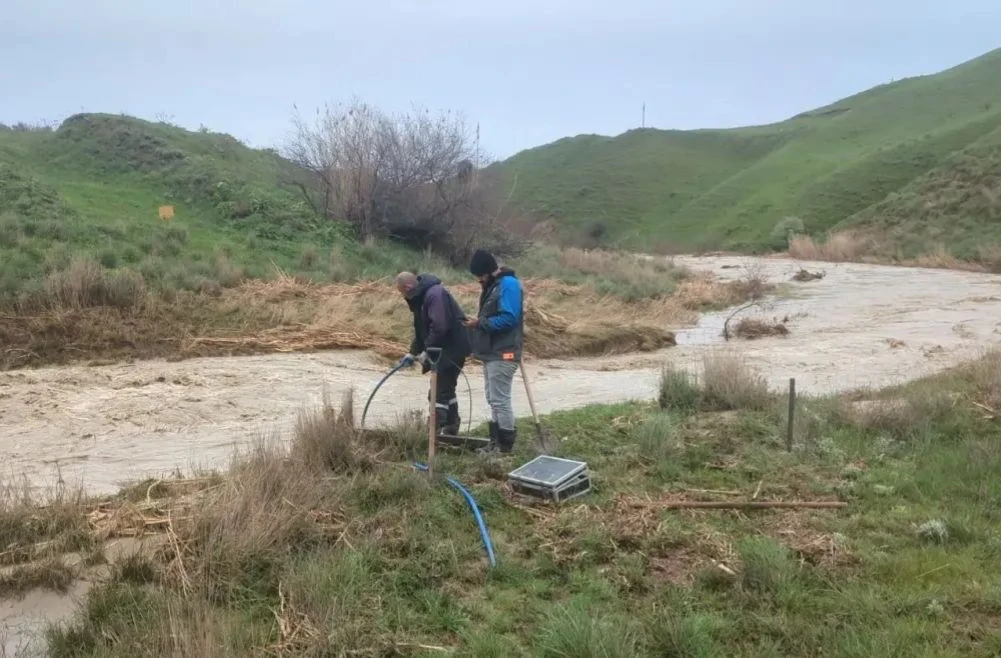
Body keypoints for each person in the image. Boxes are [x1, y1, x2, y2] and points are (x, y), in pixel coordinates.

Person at [396, 271, 471, 436]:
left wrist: (427, 349)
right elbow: (421, 331)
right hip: (443, 349)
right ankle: (451, 427)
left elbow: (440, 327)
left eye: (401, 292)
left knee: (437, 392)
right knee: (446, 389)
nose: (402, 296)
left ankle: (435, 432)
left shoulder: (434, 294)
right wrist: (412, 353)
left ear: (408, 287)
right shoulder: (421, 298)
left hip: (452, 348)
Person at [465, 249, 524, 453]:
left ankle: (504, 446)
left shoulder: (509, 285)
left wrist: (481, 323)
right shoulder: (495, 285)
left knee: (500, 399)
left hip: (504, 352)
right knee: (493, 398)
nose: (479, 280)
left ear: (488, 271)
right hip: (492, 353)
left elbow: (509, 318)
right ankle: (495, 443)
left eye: (480, 276)